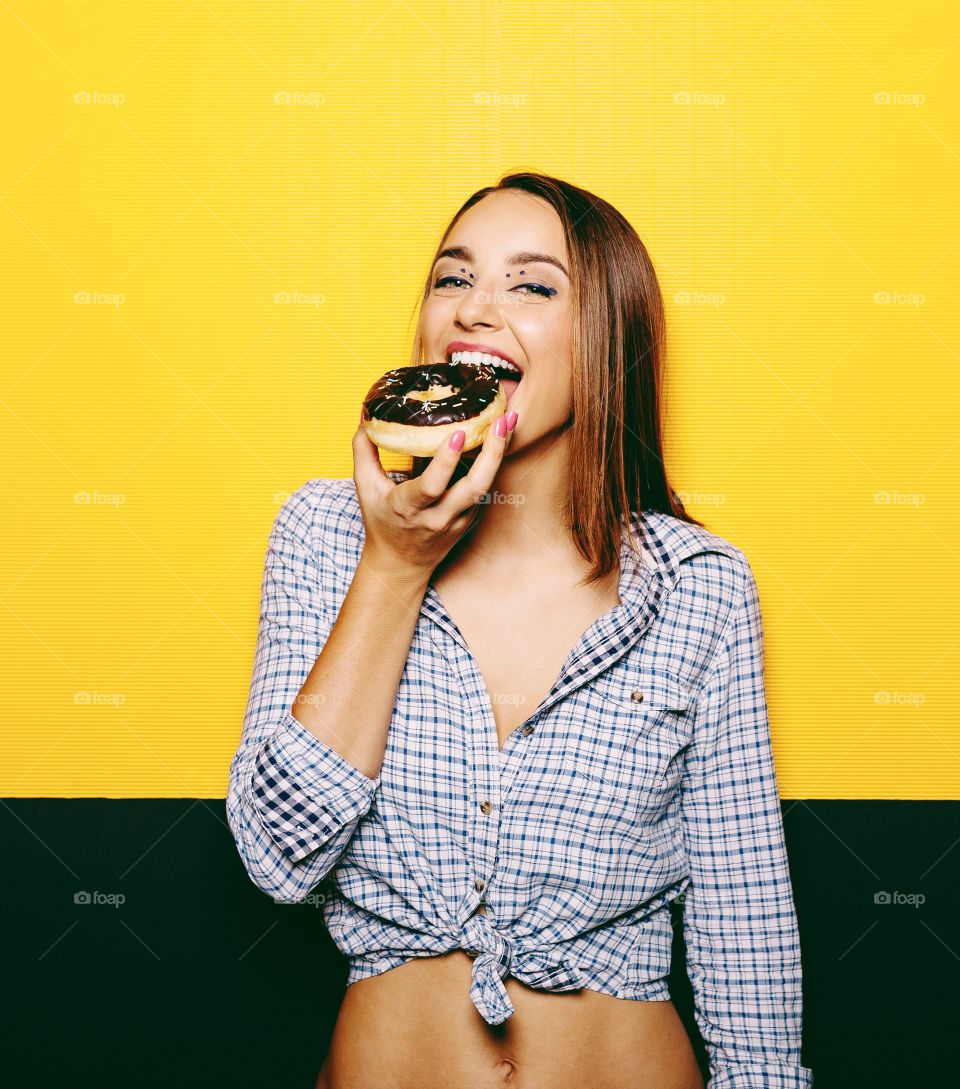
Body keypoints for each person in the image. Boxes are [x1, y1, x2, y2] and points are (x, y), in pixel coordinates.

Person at [226, 172, 813, 1089]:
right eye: (452, 279)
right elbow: (276, 855)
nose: (477, 310)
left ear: (606, 342)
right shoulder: (324, 534)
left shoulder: (701, 586)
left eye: (533, 286)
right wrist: (394, 564)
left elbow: (744, 914)